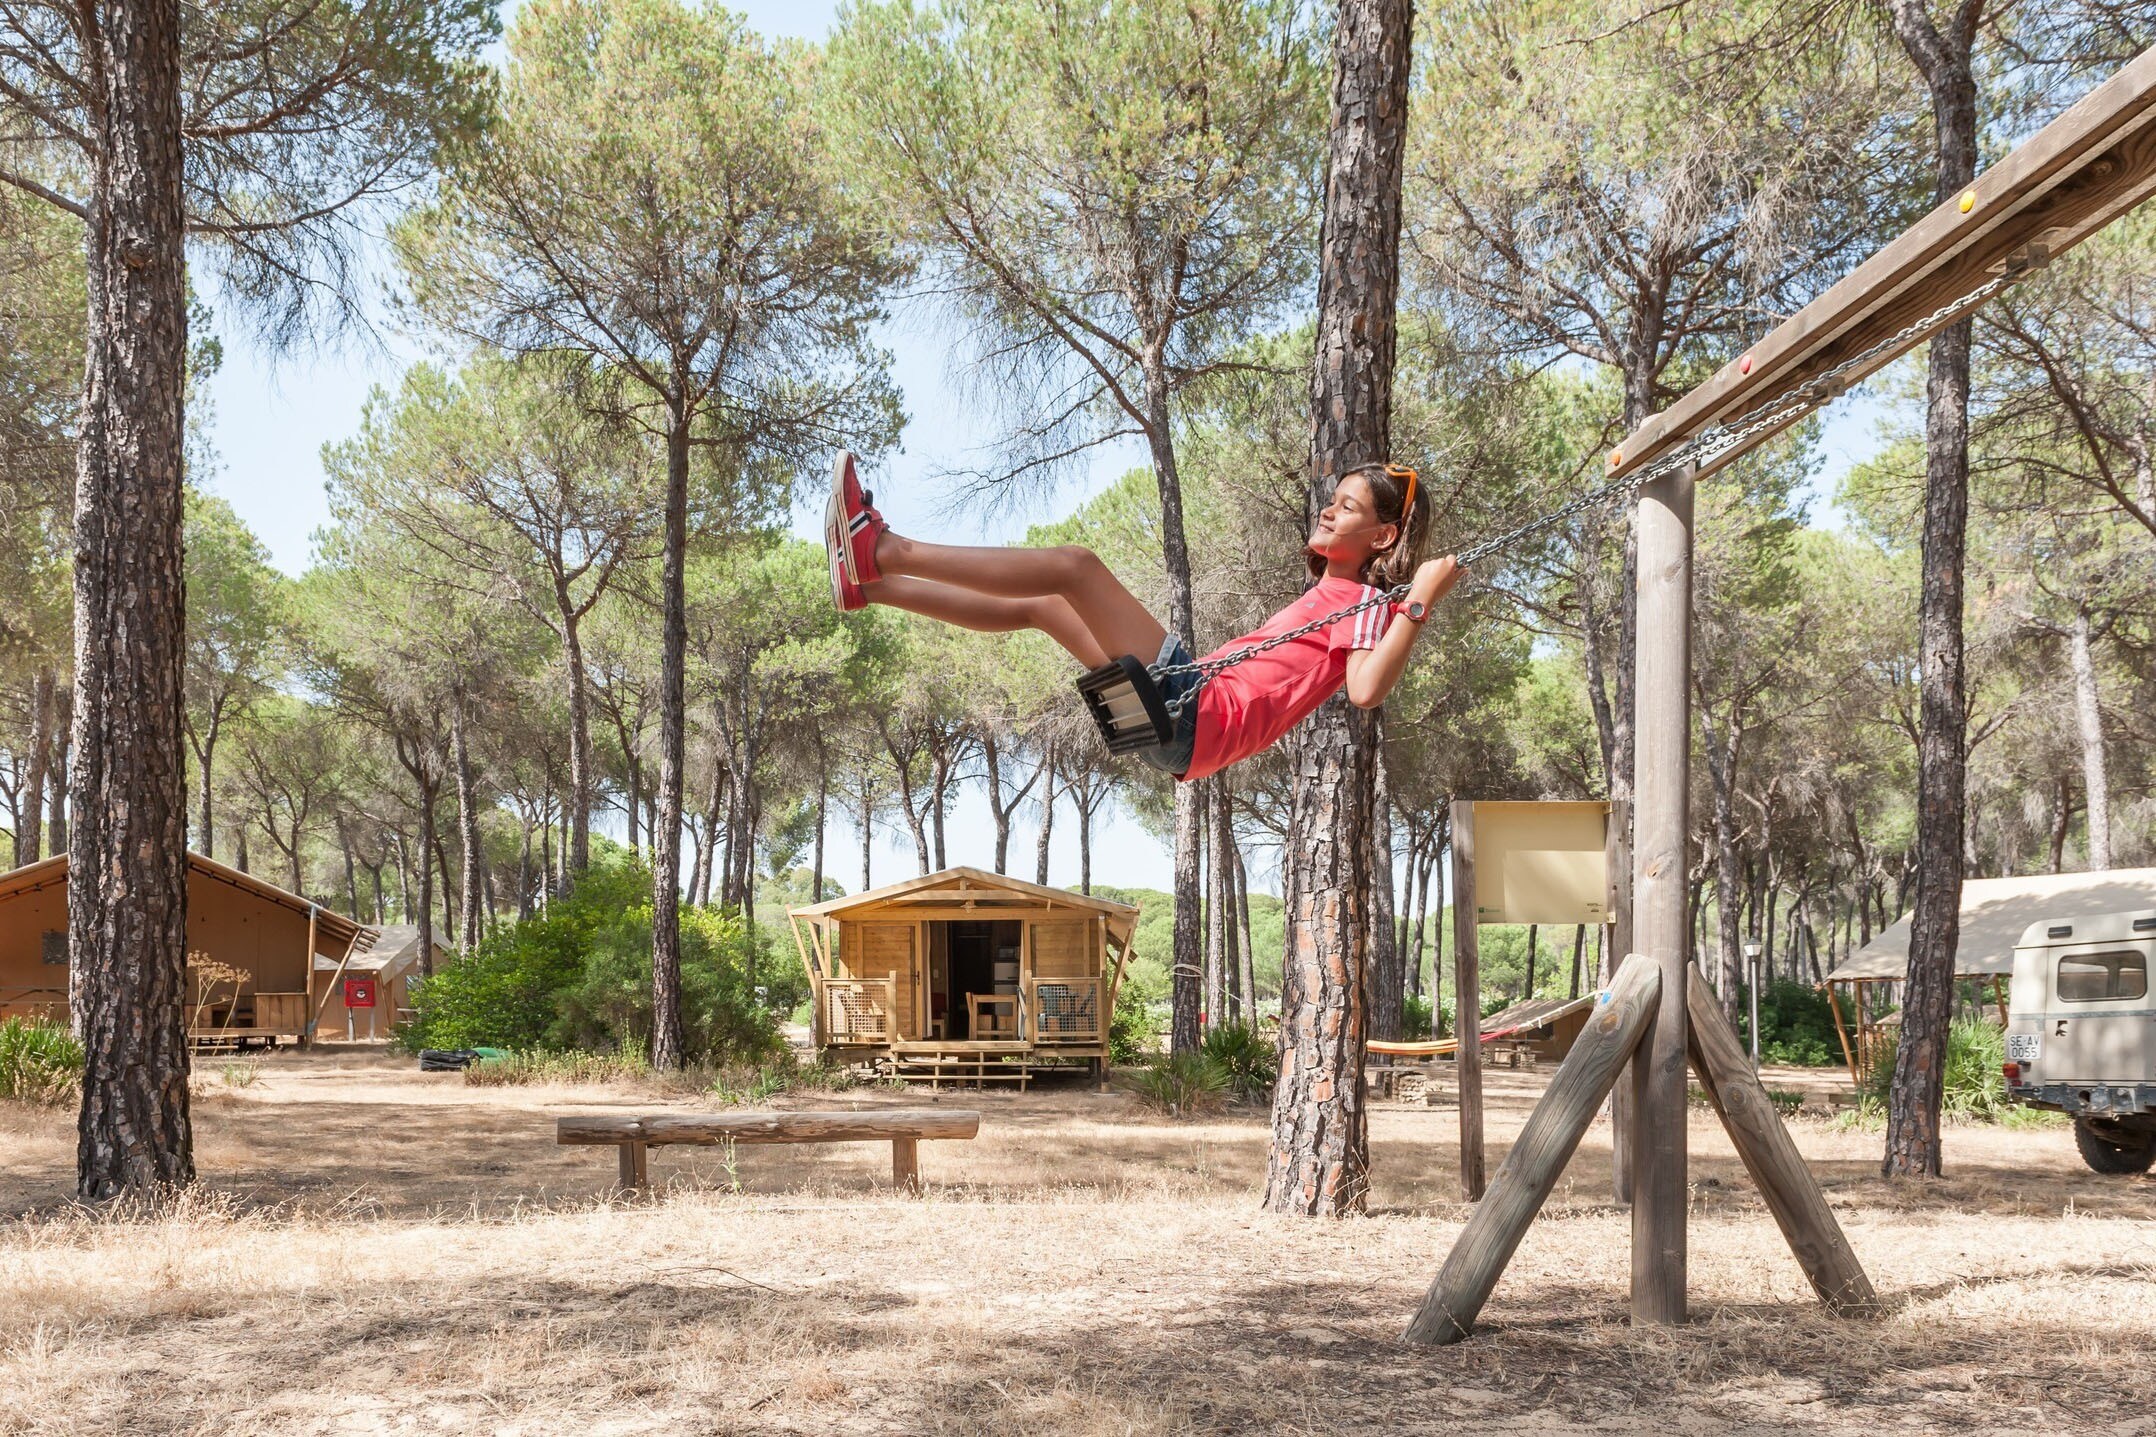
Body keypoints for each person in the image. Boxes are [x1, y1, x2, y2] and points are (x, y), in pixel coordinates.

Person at [824, 452, 1464, 781]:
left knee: (1074, 567)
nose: (1328, 511)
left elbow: (1365, 690)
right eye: (1331, 499)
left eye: (1347, 508)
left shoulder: (1367, 605)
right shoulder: (1333, 595)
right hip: (1191, 727)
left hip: (1199, 708)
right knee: (1042, 607)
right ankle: (871, 587)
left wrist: (1420, 597)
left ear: (1382, 538)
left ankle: (881, 547)